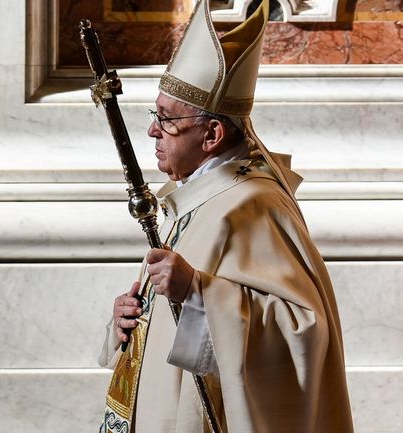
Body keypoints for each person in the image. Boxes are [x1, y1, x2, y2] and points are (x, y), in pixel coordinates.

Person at [98, 0, 354, 432]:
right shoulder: (196, 196)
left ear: (213, 134)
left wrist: (199, 292)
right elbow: (180, 310)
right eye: (153, 115)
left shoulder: (252, 203)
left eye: (166, 119)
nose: (152, 131)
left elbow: (303, 332)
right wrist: (135, 315)